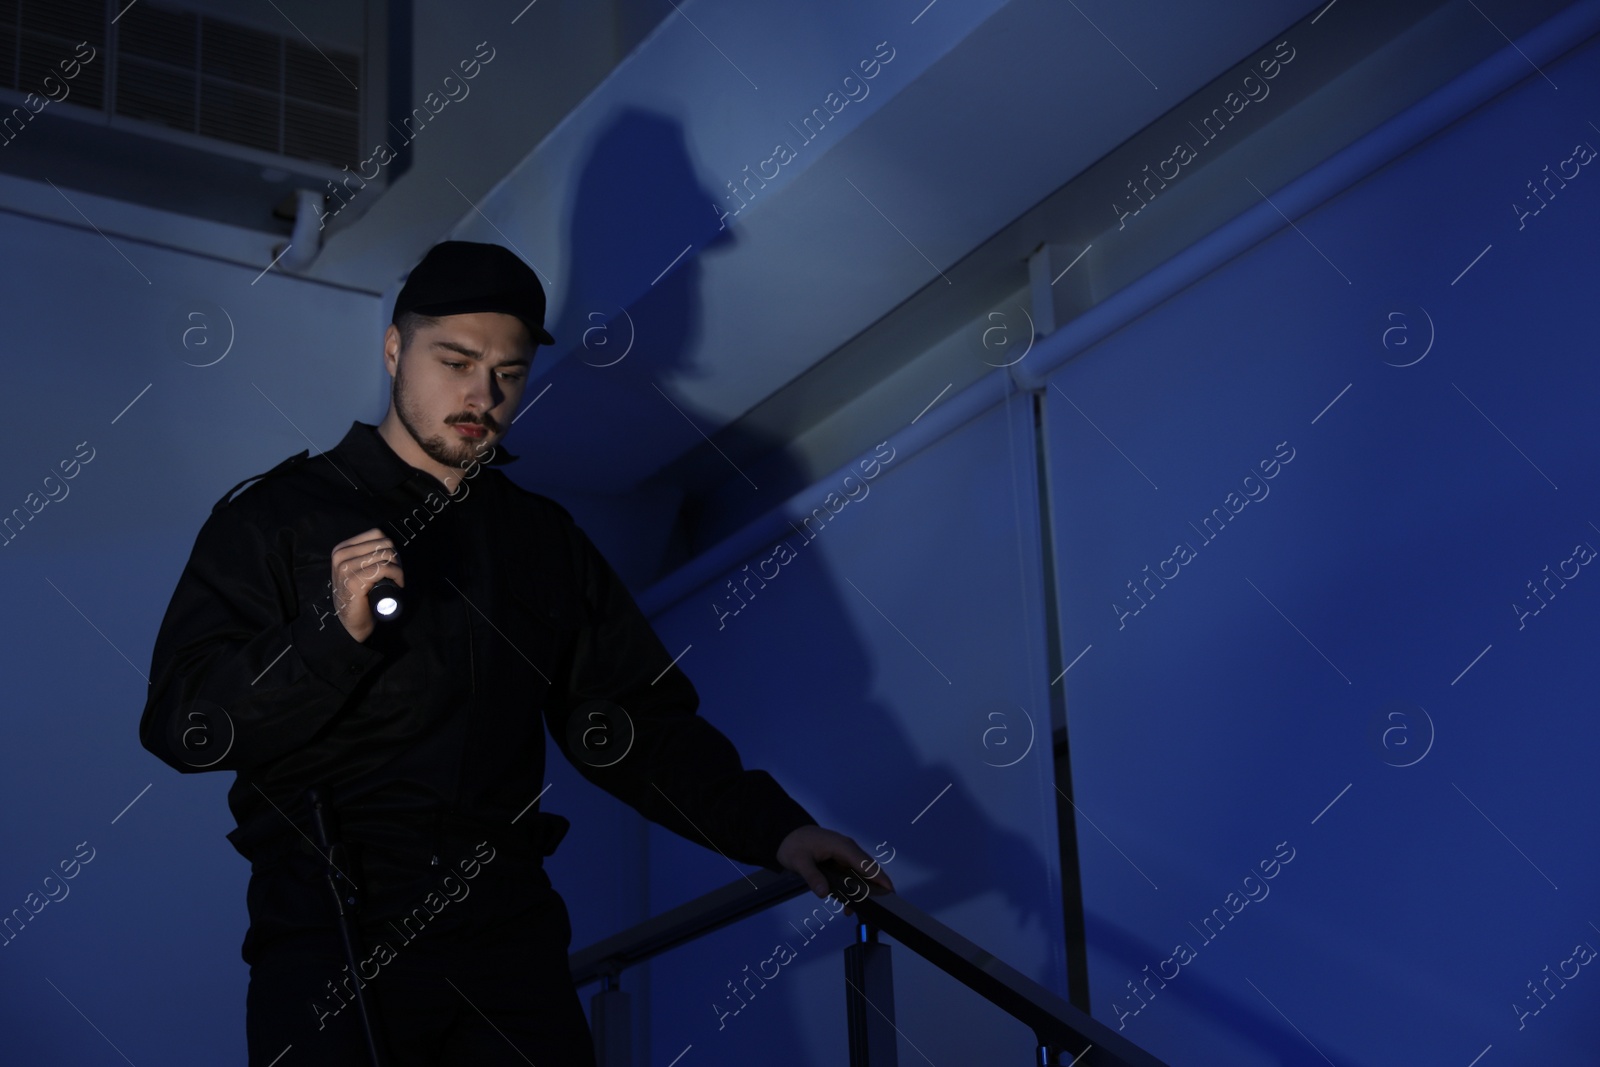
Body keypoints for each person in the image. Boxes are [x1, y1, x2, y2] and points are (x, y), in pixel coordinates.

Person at [138, 240, 894, 1066]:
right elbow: (187, 724)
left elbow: (633, 725)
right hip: (334, 936)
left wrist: (775, 829)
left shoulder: (542, 542)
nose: (481, 394)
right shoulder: (278, 518)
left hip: (505, 940)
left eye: (509, 371)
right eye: (455, 359)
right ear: (395, 349)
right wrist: (330, 634)